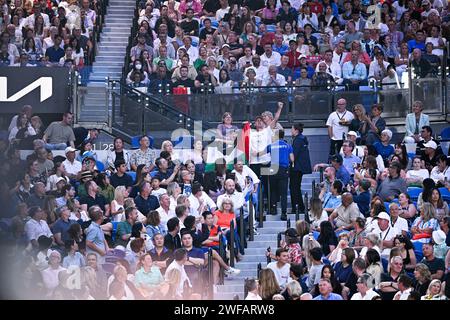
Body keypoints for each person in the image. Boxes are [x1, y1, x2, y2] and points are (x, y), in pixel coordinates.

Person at [266, 130, 293, 220]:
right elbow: (292, 159)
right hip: (283, 169)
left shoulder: (270, 146)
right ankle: (284, 213)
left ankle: (273, 209)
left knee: (273, 190)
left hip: (273, 169)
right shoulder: (288, 146)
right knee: (283, 193)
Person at [290, 123, 312, 215]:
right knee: (296, 187)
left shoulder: (298, 140)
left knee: (294, 187)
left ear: (296, 130)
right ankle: (300, 207)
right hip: (300, 167)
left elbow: (293, 155)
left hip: (296, 168)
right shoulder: (301, 139)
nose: (291, 131)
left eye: (292, 129)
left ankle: (297, 208)